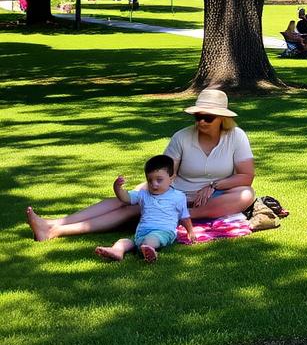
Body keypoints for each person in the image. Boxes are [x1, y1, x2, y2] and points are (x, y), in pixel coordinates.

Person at [26, 89, 256, 241]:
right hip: (175, 193)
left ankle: (181, 216)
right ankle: (54, 226)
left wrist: (214, 185)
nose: (201, 122)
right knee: (128, 201)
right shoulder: (182, 137)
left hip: (213, 197)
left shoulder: (236, 137)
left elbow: (246, 176)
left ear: (222, 119)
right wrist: (144, 189)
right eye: (198, 117)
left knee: (246, 194)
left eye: (208, 117)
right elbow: (165, 172)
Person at [93, 155, 194, 263]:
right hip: (141, 233)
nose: (154, 184)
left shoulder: (178, 196)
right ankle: (117, 251)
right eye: (150, 180)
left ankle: (149, 250)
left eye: (159, 180)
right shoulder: (143, 194)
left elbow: (184, 217)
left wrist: (190, 231)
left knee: (151, 239)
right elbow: (125, 198)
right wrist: (117, 188)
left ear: (171, 178)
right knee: (125, 241)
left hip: (164, 232)